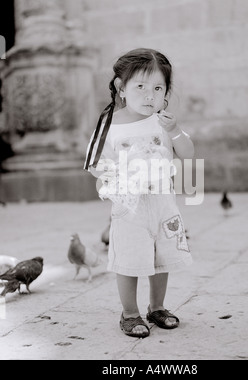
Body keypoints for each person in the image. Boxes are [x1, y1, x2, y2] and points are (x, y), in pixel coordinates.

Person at [84, 48, 194, 338]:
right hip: (129, 206)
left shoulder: (163, 121)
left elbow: (188, 154)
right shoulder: (110, 124)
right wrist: (109, 183)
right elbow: (95, 163)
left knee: (162, 256)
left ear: (166, 91)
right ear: (121, 88)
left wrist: (176, 131)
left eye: (158, 88)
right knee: (130, 259)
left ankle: (157, 306)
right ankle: (130, 313)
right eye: (141, 87)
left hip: (163, 202)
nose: (150, 96)